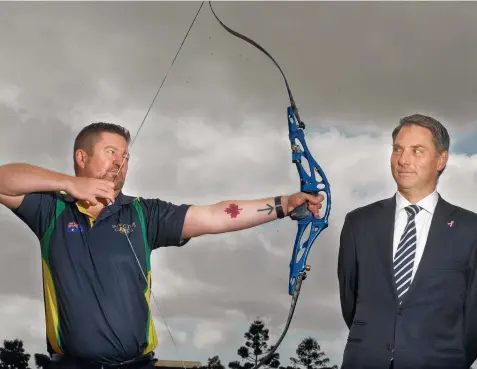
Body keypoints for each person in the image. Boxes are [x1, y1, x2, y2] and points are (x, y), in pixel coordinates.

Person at [0, 122, 324, 369]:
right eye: (111, 152)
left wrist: (284, 204)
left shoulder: (144, 213)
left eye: (125, 156)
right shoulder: (51, 210)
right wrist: (69, 184)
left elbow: (215, 216)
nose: (120, 162)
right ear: (81, 157)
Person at [337, 113, 477, 369]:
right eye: (397, 150)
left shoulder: (471, 229)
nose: (403, 160)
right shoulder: (358, 223)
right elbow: (350, 301)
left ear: (441, 160)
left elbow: (473, 319)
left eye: (417, 151)